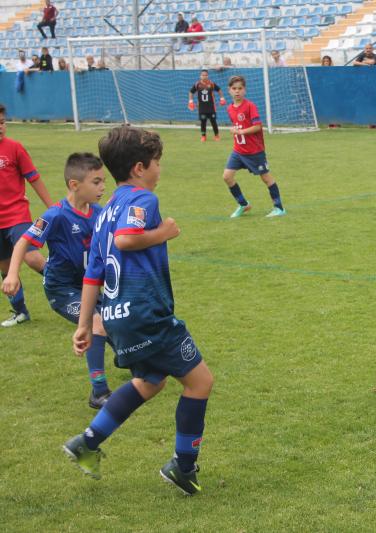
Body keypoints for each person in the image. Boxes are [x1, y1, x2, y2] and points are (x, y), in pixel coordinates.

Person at [63, 126, 214, 496]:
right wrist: (164, 232)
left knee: (150, 381)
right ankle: (183, 465)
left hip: (116, 318)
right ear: (139, 167)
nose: (160, 170)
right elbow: (127, 239)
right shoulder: (142, 200)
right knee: (200, 382)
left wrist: (84, 325)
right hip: (147, 314)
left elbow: (92, 276)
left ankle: (88, 441)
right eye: (157, 163)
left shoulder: (103, 212)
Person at [2, 153, 113, 408]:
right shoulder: (56, 215)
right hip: (62, 291)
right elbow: (23, 242)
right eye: (96, 182)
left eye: (103, 181)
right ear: (75, 185)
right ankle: (99, 391)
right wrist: (12, 274)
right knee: (95, 321)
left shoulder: (98, 212)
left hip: (90, 285)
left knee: (117, 318)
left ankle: (132, 359)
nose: (102, 187)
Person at [0, 103, 54, 327]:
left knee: (31, 257)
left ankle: (72, 287)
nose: (0, 127)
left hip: (17, 215)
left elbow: (33, 177)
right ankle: (21, 312)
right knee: (5, 268)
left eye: (2, 122)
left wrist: (52, 208)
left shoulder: (14, 148)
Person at [223, 75, 286, 219]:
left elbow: (257, 126)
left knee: (266, 178)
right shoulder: (230, 109)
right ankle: (243, 204)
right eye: (234, 89)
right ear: (229, 90)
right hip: (238, 150)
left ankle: (279, 208)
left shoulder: (250, 106)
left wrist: (240, 131)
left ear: (244, 90)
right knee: (227, 176)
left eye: (240, 88)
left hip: (254, 151)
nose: (237, 91)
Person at [188, 69, 226, 142]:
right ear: (200, 76)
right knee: (203, 122)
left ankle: (216, 136)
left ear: (208, 76)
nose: (204, 76)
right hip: (202, 108)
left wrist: (222, 98)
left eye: (205, 75)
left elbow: (219, 90)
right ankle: (203, 136)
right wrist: (190, 101)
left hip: (211, 107)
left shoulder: (211, 84)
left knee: (213, 122)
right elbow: (191, 92)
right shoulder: (197, 84)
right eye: (203, 75)